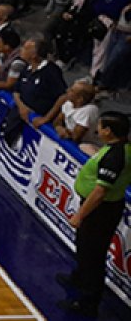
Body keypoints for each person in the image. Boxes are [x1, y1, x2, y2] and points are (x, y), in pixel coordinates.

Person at [56, 112, 131, 316]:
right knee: (84, 248)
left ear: (108, 131)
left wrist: (80, 215)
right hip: (101, 209)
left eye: (99, 126)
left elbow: (100, 192)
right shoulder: (118, 148)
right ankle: (79, 278)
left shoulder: (115, 156)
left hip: (101, 212)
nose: (96, 130)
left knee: (93, 257)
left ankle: (88, 303)